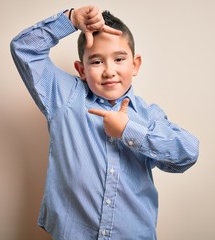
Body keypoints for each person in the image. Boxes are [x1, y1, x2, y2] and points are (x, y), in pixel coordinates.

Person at [10, 5, 199, 240]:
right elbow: (24, 49)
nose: (109, 71)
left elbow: (188, 153)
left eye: (119, 59)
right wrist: (70, 20)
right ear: (81, 69)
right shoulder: (64, 97)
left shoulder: (149, 116)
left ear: (135, 64)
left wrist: (130, 131)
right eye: (97, 62)